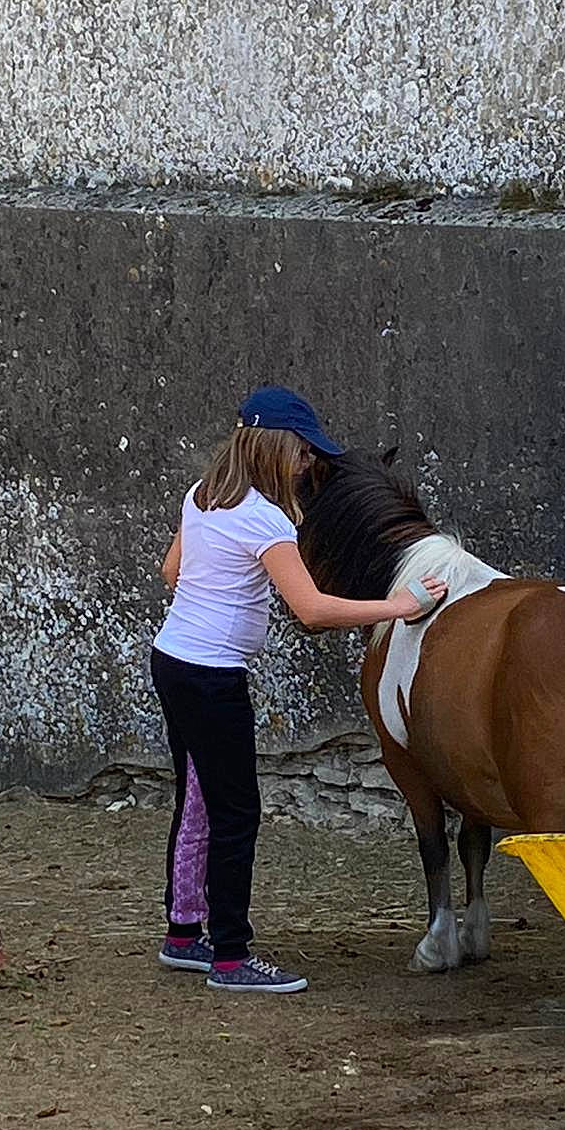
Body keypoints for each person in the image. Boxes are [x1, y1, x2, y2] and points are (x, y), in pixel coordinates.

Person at [152, 386, 446, 995]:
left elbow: (172, 573)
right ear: (277, 449)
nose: (309, 465)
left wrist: (220, 590)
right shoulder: (265, 518)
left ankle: (184, 933)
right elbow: (310, 609)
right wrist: (402, 604)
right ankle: (230, 955)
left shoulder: (202, 498)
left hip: (173, 660)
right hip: (212, 678)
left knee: (198, 801)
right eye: (304, 452)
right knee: (237, 814)